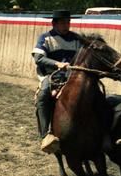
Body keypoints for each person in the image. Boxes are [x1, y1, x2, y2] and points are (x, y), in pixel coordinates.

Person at [32, 9, 83, 154]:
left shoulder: (76, 39)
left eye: (68, 22)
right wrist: (57, 64)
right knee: (43, 96)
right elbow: (39, 58)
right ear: (54, 23)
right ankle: (45, 135)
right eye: (63, 22)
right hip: (52, 75)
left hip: (73, 75)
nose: (66, 25)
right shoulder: (45, 38)